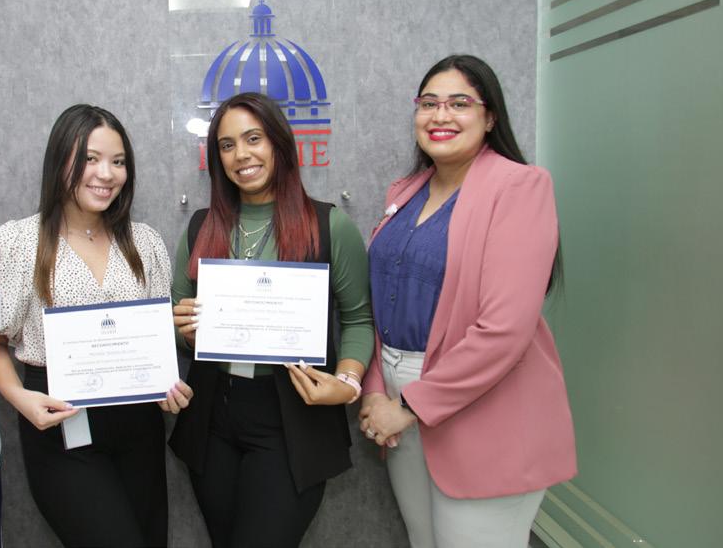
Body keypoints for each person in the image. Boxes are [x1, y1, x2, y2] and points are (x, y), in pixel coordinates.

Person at [358, 55, 577, 548]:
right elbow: (384, 302)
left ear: (490, 116)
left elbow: (505, 330)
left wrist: (409, 404)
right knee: (423, 539)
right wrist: (375, 390)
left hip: (482, 409)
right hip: (398, 402)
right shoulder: (406, 192)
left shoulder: (519, 186)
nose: (441, 116)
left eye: (459, 103)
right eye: (428, 103)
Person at [169, 92, 374, 547]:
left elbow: (358, 319)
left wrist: (347, 381)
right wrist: (184, 331)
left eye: (253, 138)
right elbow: (176, 318)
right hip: (214, 415)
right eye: (227, 145)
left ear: (279, 142)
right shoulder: (201, 226)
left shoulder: (329, 225)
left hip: (292, 417)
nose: (241, 154)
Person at [0, 104, 191, 547]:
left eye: (118, 162)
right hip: (60, 423)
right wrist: (20, 398)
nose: (106, 174)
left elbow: (156, 340)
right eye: (90, 158)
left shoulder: (144, 241)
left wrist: (168, 385)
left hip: (139, 424)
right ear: (60, 159)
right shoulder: (19, 241)